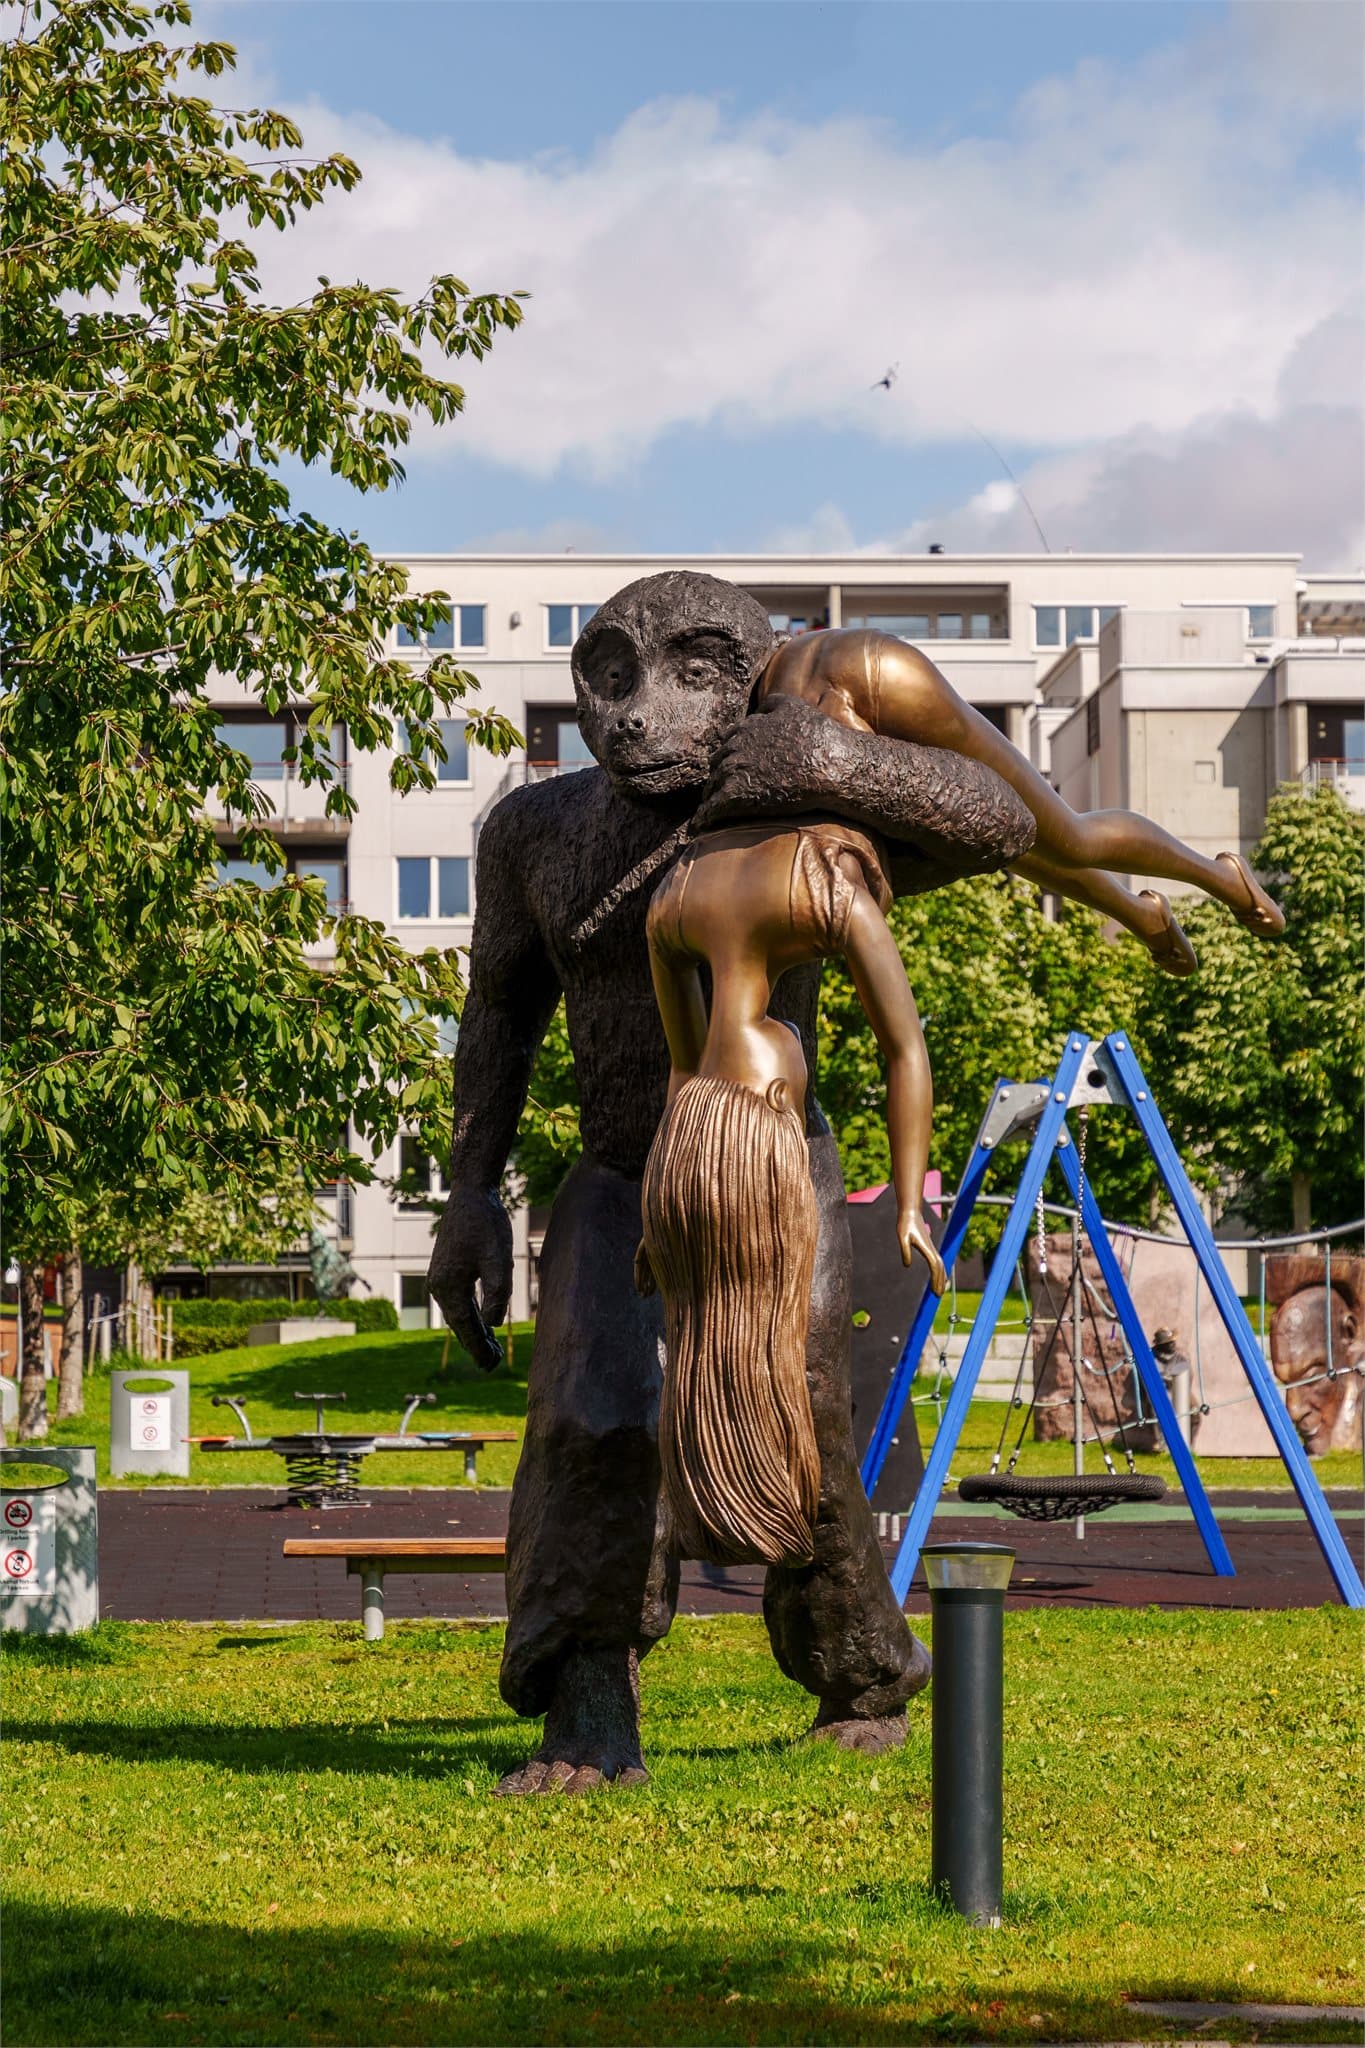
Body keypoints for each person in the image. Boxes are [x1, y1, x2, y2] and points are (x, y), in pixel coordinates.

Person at [637, 816, 945, 1569]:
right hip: (730, 1136)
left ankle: (723, 1495)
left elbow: (682, 1066)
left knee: (711, 1331)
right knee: (761, 1332)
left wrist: (660, 1207)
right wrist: (908, 1202)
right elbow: (905, 1050)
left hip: (688, 1137)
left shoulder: (679, 895)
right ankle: (763, 1496)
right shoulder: (822, 892)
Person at [756, 629, 1286, 973]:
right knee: (1005, 836)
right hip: (826, 664)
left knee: (1067, 835)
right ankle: (1142, 915)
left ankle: (1221, 877)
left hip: (867, 691)